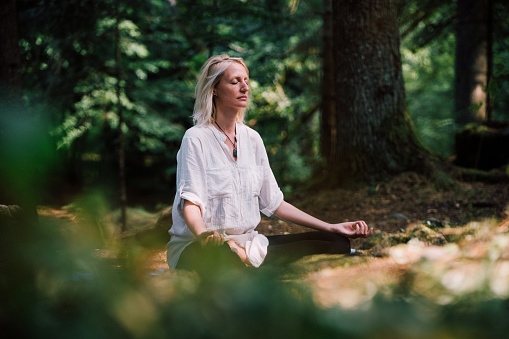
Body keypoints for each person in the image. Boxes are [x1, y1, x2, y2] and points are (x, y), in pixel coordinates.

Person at [167, 54, 372, 271]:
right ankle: (243, 261)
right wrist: (203, 235)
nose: (244, 87)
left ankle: (245, 257)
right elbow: (191, 203)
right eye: (235, 81)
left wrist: (331, 227)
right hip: (199, 247)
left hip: (247, 244)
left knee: (336, 243)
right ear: (214, 89)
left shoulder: (253, 139)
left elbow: (275, 204)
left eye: (246, 81)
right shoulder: (196, 138)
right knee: (224, 258)